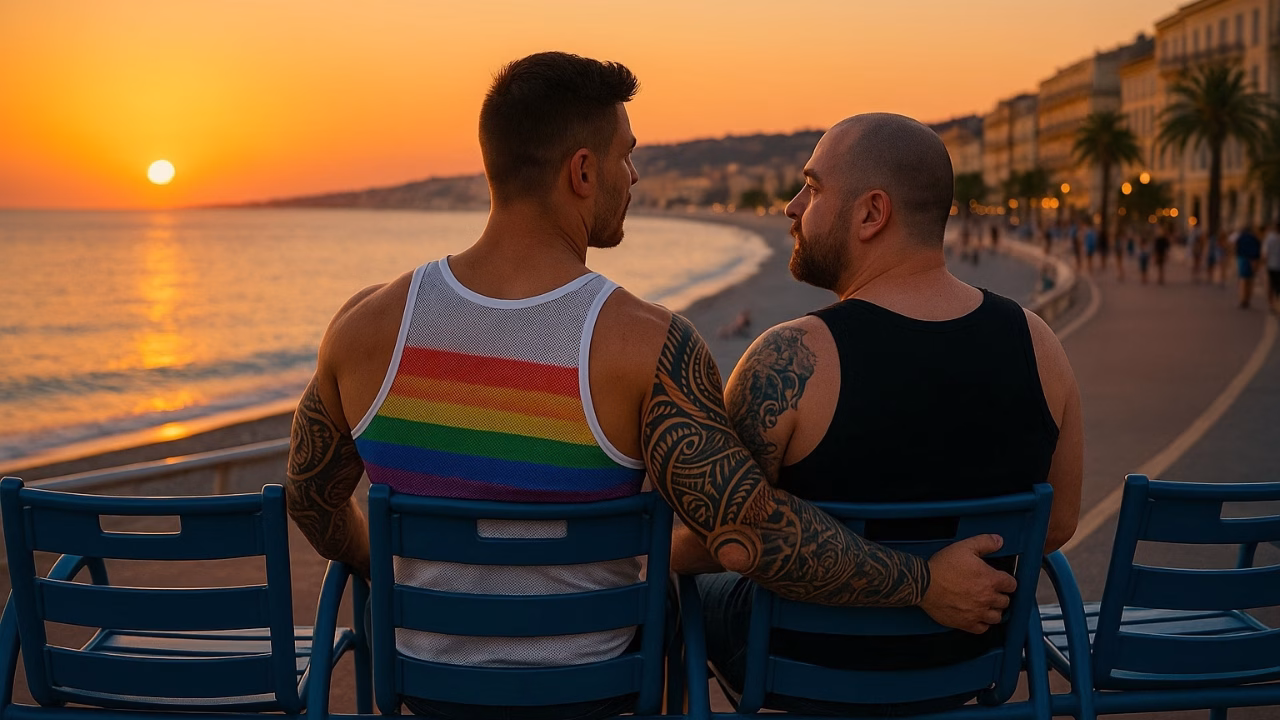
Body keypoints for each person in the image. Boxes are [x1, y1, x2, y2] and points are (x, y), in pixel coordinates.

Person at [282, 54, 1014, 720]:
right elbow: (743, 535)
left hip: (426, 686)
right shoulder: (647, 344)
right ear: (582, 172)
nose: (635, 178)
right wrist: (920, 581)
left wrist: (382, 560)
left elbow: (311, 498)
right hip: (598, 690)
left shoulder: (366, 328)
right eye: (626, 157)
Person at [670, 114, 1084, 716]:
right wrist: (934, 583)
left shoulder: (791, 357)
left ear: (871, 214)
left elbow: (720, 540)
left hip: (805, 664)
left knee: (673, 576)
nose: (791, 207)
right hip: (963, 658)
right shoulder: (1038, 341)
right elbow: (1056, 522)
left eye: (811, 189)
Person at [1236, 224, 1262, 309]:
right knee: (1250, 280)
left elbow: (1237, 248)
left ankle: (1243, 298)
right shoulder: (1255, 239)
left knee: (1243, 280)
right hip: (1251, 259)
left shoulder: (1241, 238)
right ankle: (1247, 298)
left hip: (1242, 258)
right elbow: (1257, 251)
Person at [1264, 222, 1280, 313]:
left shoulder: (1270, 238)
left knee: (1271, 285)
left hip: (1271, 265)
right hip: (1275, 265)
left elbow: (1265, 252)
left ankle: (1271, 304)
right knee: (1277, 286)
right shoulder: (1270, 237)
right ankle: (1276, 304)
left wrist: (1264, 263)